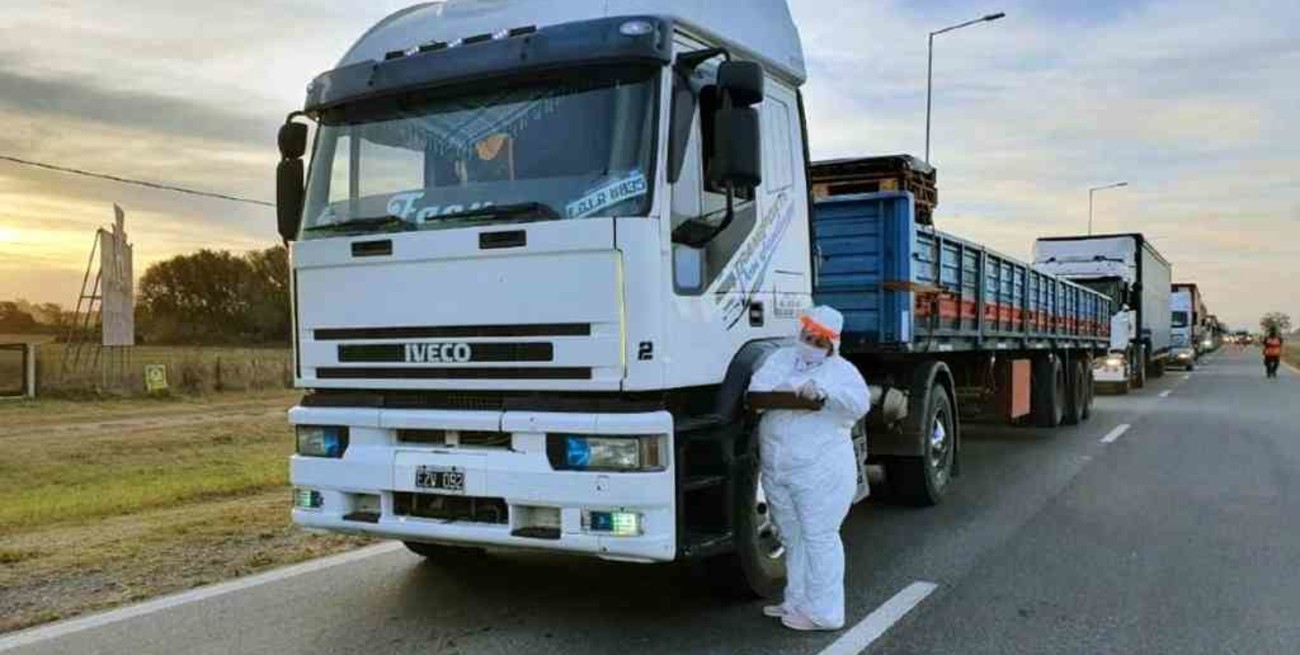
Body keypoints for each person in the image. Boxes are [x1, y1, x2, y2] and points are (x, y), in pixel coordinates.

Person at [747, 306, 870, 631]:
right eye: (807, 335)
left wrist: (826, 393)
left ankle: (826, 613)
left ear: (832, 344)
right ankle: (797, 601)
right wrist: (787, 390)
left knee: (819, 537)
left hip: (822, 471)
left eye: (819, 340)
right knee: (793, 536)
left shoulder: (841, 371)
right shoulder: (780, 360)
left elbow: (860, 403)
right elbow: (756, 393)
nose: (810, 342)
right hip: (779, 468)